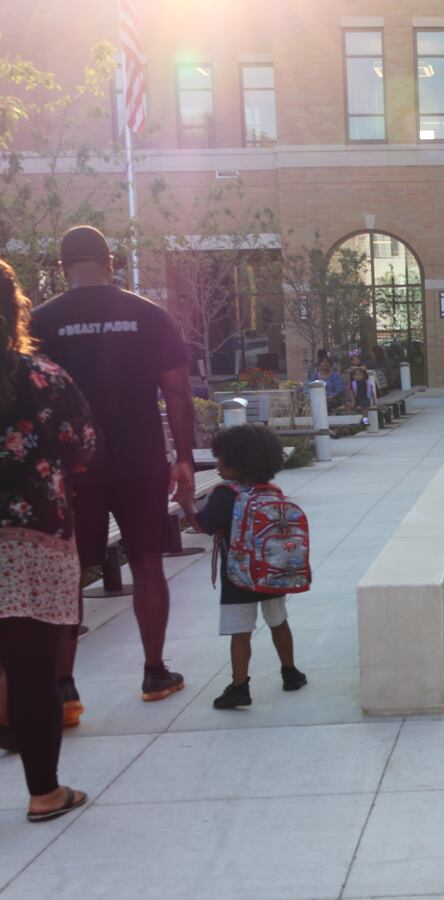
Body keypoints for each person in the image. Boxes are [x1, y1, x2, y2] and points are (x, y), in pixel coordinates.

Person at [30, 226, 195, 711]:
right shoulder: (149, 315)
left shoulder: (40, 321)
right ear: (111, 262)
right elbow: (178, 392)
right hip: (141, 459)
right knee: (147, 562)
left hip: (71, 468)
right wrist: (183, 457)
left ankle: (63, 687)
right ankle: (154, 672)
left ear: (63, 267)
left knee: (70, 571)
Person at [0, 258, 96, 822]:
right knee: (32, 670)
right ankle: (45, 793)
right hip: (35, 539)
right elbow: (83, 444)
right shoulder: (44, 378)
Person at [191, 424, 307, 710]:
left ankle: (240, 686)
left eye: (220, 458)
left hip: (238, 577)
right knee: (279, 622)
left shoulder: (224, 494)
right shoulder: (272, 490)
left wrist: (185, 502)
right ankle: (290, 672)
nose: (216, 464)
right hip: (272, 571)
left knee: (240, 632)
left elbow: (203, 526)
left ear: (236, 461)